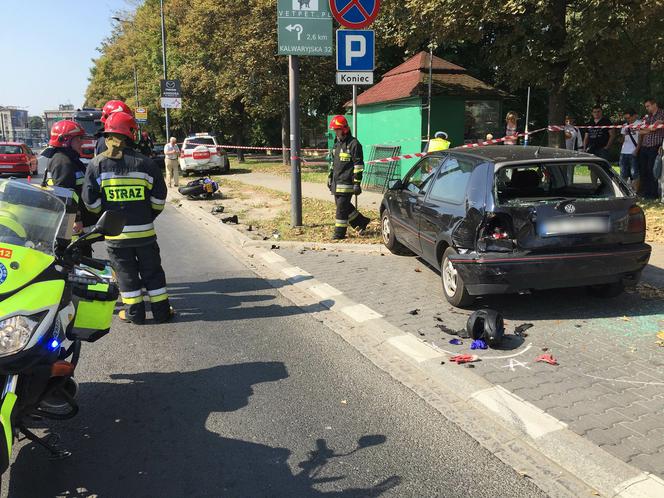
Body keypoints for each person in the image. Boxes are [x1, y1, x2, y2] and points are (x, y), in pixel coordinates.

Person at [83, 111, 173, 324]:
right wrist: (146, 216)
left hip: (116, 238)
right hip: (145, 234)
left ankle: (135, 314)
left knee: (126, 276)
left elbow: (90, 203)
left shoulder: (96, 165)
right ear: (132, 134)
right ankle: (162, 312)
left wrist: (105, 219)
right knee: (153, 273)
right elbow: (159, 198)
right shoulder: (146, 164)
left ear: (108, 135)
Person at [41, 120, 99, 257]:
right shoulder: (62, 161)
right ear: (66, 140)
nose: (82, 142)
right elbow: (64, 194)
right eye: (79, 138)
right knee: (74, 263)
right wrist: (76, 219)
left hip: (73, 226)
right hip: (71, 228)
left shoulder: (68, 159)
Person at [327, 115, 370, 240]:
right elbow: (333, 163)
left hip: (347, 183)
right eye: (334, 129)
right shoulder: (336, 144)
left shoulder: (354, 144)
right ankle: (361, 221)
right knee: (343, 206)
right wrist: (329, 177)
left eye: (337, 129)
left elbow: (358, 165)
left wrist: (357, 183)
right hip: (336, 182)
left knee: (341, 209)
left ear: (344, 129)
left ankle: (339, 234)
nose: (335, 132)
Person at [637, 98, 664, 199]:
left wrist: (648, 129)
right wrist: (650, 129)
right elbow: (640, 130)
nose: (647, 108)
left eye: (648, 106)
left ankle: (653, 194)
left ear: (654, 104)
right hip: (645, 147)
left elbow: (656, 127)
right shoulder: (647, 116)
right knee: (644, 170)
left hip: (655, 146)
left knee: (652, 170)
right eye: (646, 106)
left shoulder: (662, 114)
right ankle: (646, 192)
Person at [619, 109, 641, 184]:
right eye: (626, 118)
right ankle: (624, 191)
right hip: (624, 151)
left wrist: (637, 150)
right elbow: (622, 139)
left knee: (635, 173)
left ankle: (635, 193)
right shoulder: (625, 125)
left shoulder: (640, 124)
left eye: (629, 117)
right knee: (623, 174)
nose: (628, 120)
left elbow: (641, 138)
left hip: (634, 151)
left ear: (634, 116)